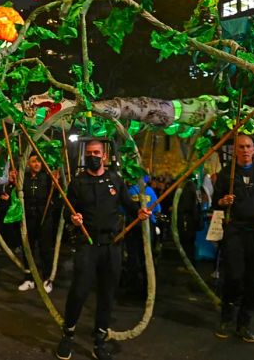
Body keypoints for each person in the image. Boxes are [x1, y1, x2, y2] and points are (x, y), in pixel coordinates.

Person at [56, 139, 151, 360]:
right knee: (79, 291)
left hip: (112, 245)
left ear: (105, 156)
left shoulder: (115, 180)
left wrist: (139, 212)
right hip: (87, 244)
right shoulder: (78, 183)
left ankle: (99, 340)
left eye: (97, 152)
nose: (93, 156)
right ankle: (68, 334)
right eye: (89, 153)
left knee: (107, 295)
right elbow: (66, 213)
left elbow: (128, 204)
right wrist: (73, 218)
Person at [213, 134, 254, 343]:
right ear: (235, 150)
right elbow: (215, 202)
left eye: (248, 146)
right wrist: (223, 200)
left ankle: (244, 323)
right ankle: (226, 316)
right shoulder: (226, 174)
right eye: (241, 147)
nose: (245, 150)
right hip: (235, 231)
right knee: (234, 275)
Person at [18, 153, 57, 293]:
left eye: (39, 162)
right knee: (28, 248)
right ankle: (29, 279)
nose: (37, 164)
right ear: (28, 163)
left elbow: (56, 196)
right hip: (28, 217)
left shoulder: (47, 178)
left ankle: (47, 279)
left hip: (44, 217)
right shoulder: (24, 178)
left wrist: (56, 183)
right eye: (34, 161)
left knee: (45, 249)